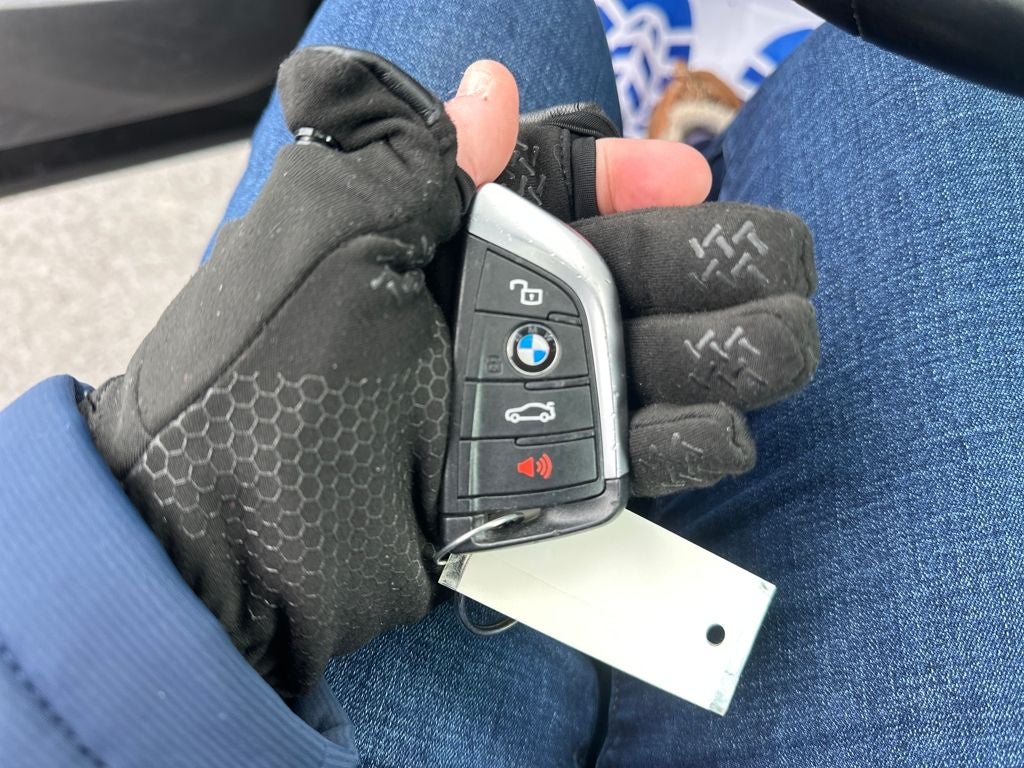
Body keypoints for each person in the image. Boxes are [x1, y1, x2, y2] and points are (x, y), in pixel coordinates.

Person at [1, 2, 1021, 768]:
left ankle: (680, 98)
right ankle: (707, 106)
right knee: (944, 95)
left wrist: (180, 538)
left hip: (212, 683)